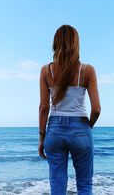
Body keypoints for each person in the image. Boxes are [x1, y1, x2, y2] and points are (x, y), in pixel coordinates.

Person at [38, 24, 101, 195]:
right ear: (76, 44)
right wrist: (86, 127)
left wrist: (42, 138)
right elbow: (96, 109)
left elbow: (44, 108)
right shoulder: (86, 70)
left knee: (57, 185)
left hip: (54, 130)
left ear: (56, 43)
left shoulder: (46, 71)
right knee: (85, 184)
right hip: (80, 128)